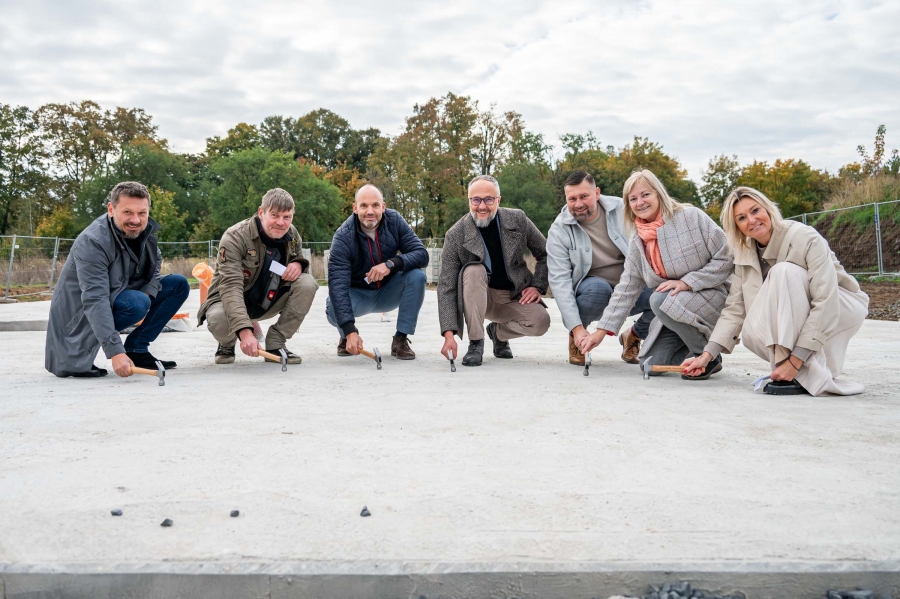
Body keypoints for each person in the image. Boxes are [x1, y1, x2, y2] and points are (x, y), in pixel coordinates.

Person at [682, 187, 869, 395]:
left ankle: (799, 370)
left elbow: (826, 300)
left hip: (841, 305)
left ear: (768, 209)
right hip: (804, 314)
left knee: (782, 273)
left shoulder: (804, 237)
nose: (751, 220)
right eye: (742, 218)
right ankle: (791, 369)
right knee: (752, 330)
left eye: (755, 211)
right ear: (737, 227)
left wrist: (796, 360)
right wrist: (707, 356)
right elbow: (734, 309)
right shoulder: (744, 254)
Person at [578, 169, 733, 378]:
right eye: (632, 199)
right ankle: (690, 347)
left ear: (659, 194)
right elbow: (627, 287)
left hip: (712, 296)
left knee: (658, 298)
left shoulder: (691, 217)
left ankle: (706, 356)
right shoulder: (637, 240)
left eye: (645, 194)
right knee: (650, 365)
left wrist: (688, 282)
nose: (639, 202)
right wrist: (601, 331)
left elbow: (727, 257)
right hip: (673, 308)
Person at [45, 181, 189, 378]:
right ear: (111, 209)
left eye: (142, 213)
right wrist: (115, 351)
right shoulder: (93, 242)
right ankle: (102, 350)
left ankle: (137, 349)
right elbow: (95, 299)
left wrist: (147, 295)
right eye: (127, 212)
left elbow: (154, 272)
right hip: (80, 316)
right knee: (136, 303)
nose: (135, 220)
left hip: (119, 292)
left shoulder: (145, 233)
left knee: (177, 285)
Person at [438, 174, 550, 367]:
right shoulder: (455, 235)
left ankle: (497, 334)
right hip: (479, 298)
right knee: (473, 270)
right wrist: (449, 335)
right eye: (476, 200)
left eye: (489, 199)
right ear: (469, 201)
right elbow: (446, 286)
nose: (482, 206)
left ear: (498, 200)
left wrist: (538, 286)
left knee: (541, 322)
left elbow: (546, 253)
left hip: (514, 296)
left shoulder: (518, 219)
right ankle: (476, 343)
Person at [198, 188, 318, 365]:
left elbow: (297, 265)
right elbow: (231, 288)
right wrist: (245, 332)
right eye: (274, 215)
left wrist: (298, 264)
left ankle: (276, 343)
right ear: (261, 212)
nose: (281, 222)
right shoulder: (234, 237)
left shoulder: (292, 235)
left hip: (267, 300)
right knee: (218, 319)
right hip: (230, 301)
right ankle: (227, 342)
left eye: (287, 217)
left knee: (308, 283)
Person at [547, 171, 655, 366]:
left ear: (597, 193)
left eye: (584, 196)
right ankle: (578, 338)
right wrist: (576, 327)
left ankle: (634, 335)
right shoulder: (558, 230)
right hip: (593, 292)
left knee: (661, 295)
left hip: (630, 287)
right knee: (597, 288)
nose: (578, 204)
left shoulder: (624, 210)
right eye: (572, 199)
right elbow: (559, 282)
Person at [325, 184, 428, 359]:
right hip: (358, 295)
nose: (370, 211)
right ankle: (347, 337)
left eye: (375, 205)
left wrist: (391, 264)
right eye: (364, 206)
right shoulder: (343, 236)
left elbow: (421, 254)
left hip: (389, 291)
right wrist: (349, 329)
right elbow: (337, 285)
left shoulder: (395, 220)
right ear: (355, 208)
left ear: (383, 206)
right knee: (331, 306)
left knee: (417, 276)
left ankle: (400, 339)